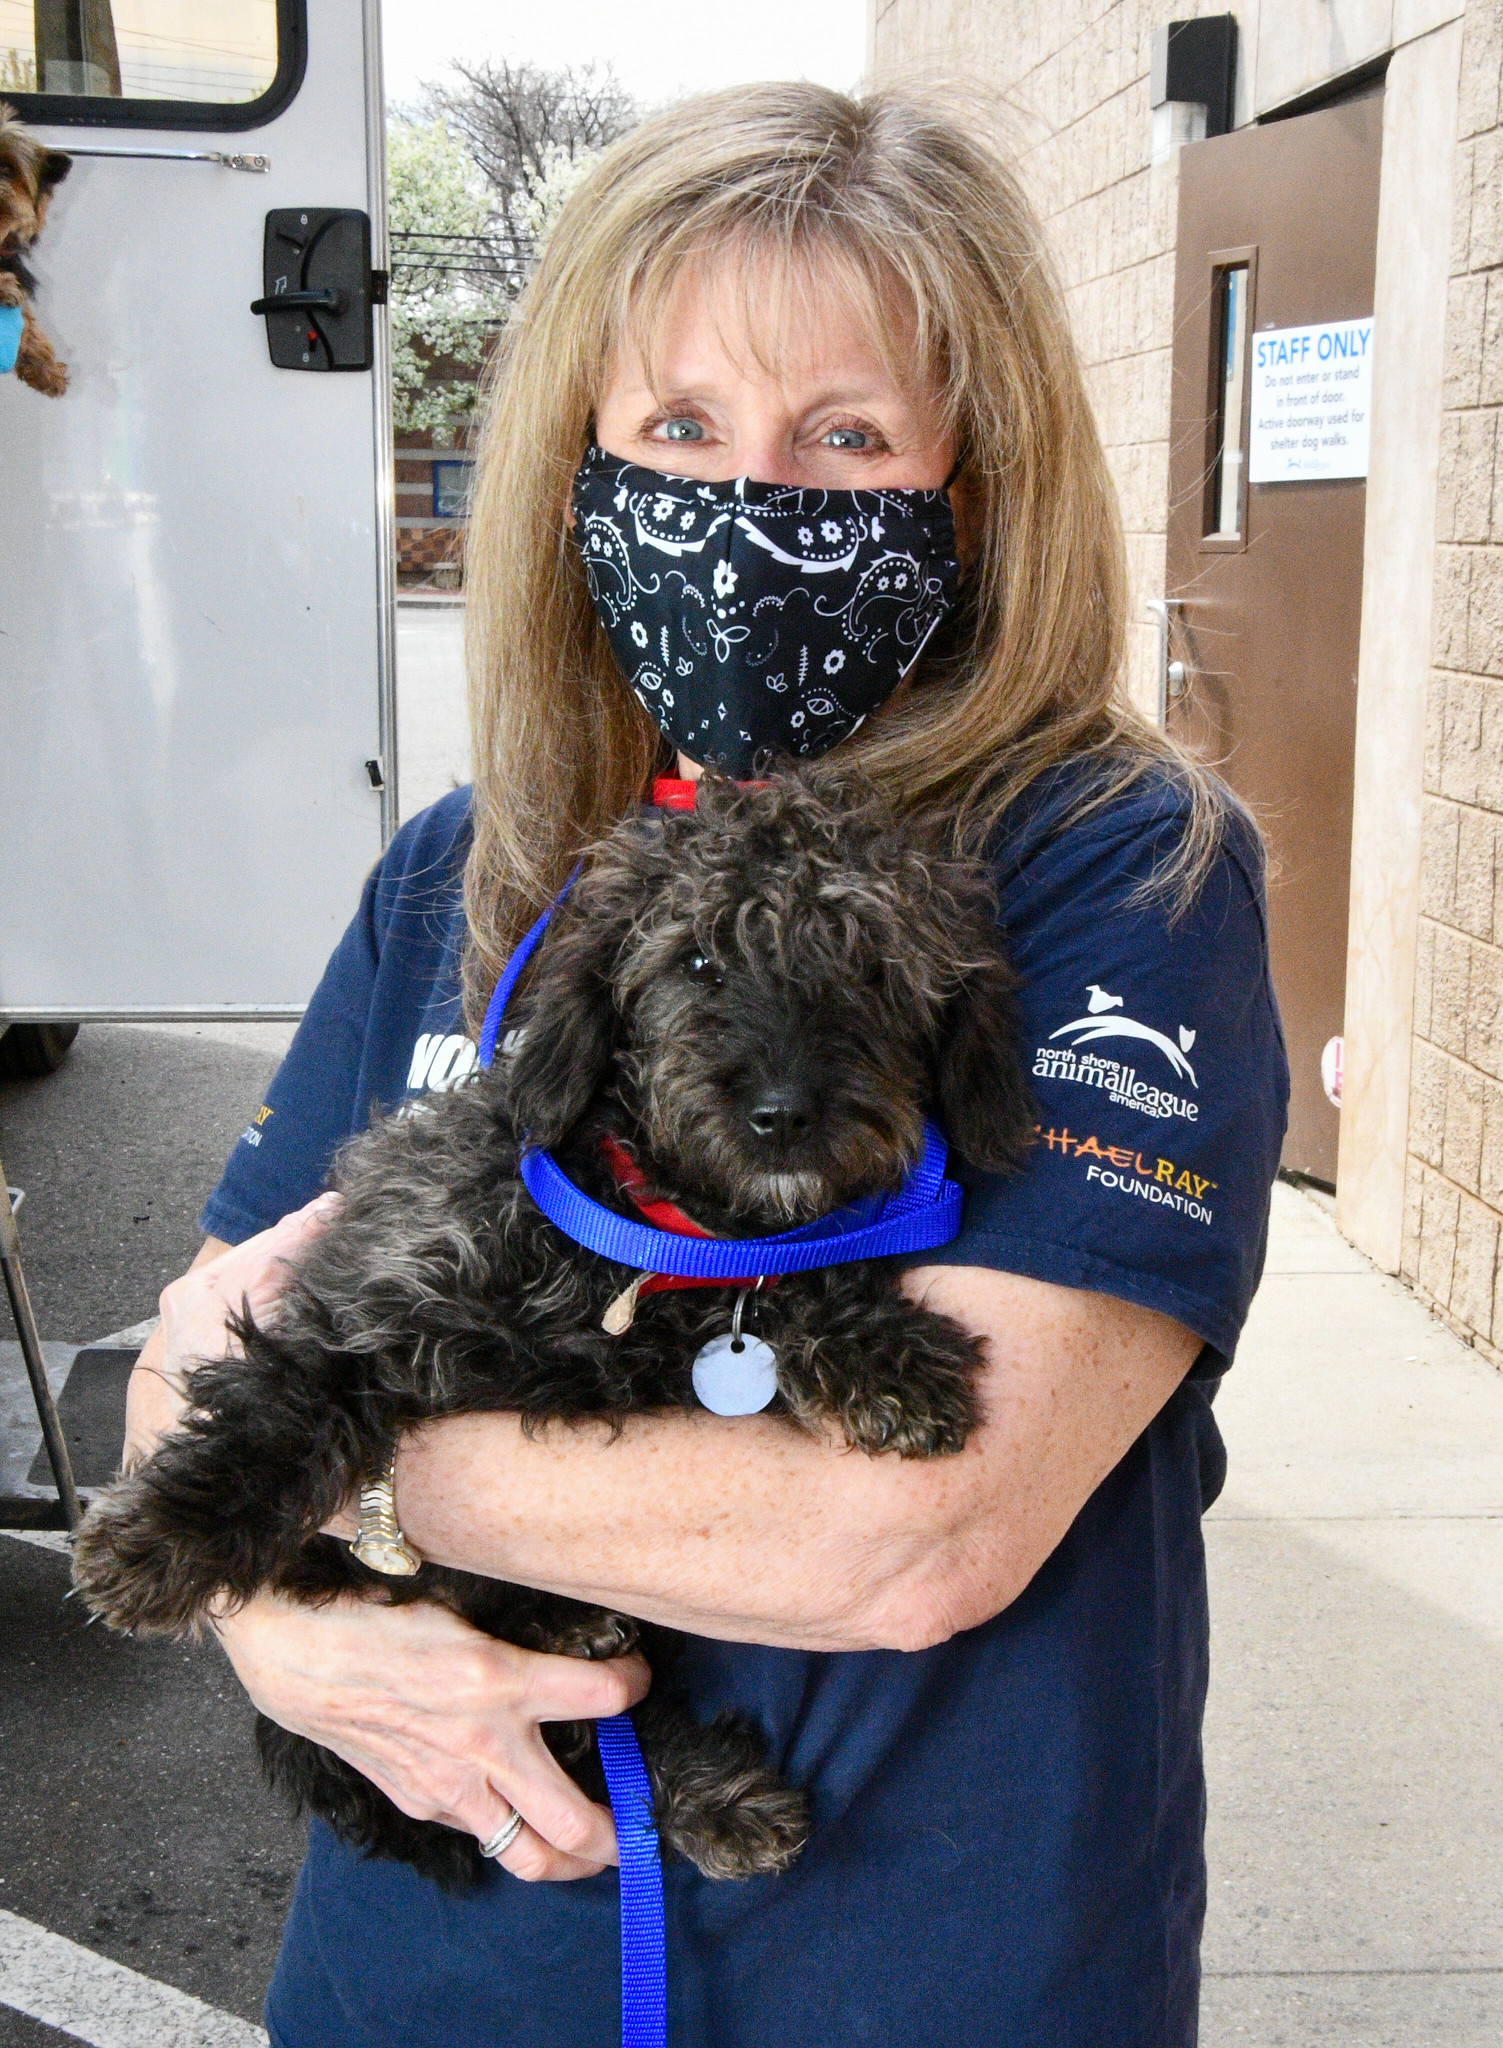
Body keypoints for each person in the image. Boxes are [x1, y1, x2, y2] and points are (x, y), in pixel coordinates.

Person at [125, 84, 1288, 2047]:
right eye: (675, 431)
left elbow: (908, 1527)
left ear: (972, 483)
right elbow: (188, 1344)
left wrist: (342, 1468)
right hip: (448, 1972)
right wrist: (273, 1626)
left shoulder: (1110, 864)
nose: (750, 505)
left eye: (842, 437)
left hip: (910, 1959)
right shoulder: (465, 866)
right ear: (574, 468)